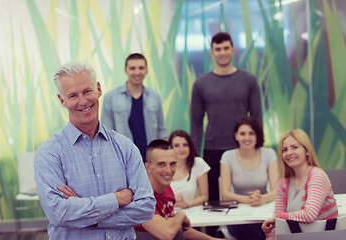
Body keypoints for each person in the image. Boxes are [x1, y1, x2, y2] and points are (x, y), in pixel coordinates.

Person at [34, 61, 156, 240]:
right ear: (62, 100)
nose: (83, 101)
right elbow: (58, 214)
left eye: (87, 91)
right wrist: (117, 199)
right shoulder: (49, 153)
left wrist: (86, 214)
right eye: (73, 95)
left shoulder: (125, 147)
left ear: (98, 89)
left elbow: (146, 208)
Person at [190, 32, 263, 202]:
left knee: (245, 195)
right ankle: (214, 230)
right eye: (218, 49)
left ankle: (247, 229)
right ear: (212, 52)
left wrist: (257, 146)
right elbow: (196, 123)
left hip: (242, 147)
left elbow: (257, 118)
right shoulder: (201, 84)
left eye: (225, 48)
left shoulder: (249, 80)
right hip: (212, 149)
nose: (222, 52)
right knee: (214, 200)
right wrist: (194, 156)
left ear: (233, 50)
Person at [135, 139, 226, 240]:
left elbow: (178, 230)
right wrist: (180, 215)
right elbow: (167, 233)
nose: (168, 170)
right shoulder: (140, 196)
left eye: (173, 164)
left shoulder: (167, 188)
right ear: (147, 167)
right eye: (161, 164)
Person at [262, 129, 338, 240]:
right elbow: (278, 225)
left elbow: (309, 215)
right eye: (284, 150)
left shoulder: (317, 176)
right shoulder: (282, 182)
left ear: (307, 151)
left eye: (295, 147)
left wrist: (277, 217)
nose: (289, 153)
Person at [101, 53, 168, 162]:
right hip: (124, 158)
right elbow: (106, 133)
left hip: (152, 159)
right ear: (125, 70)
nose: (137, 72)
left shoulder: (155, 96)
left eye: (141, 68)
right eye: (132, 68)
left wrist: (163, 158)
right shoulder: (111, 97)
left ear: (146, 70)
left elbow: (162, 131)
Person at [220, 116, 278, 240]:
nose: (247, 138)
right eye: (242, 133)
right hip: (238, 216)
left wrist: (262, 199)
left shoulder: (269, 154)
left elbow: (277, 190)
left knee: (266, 227)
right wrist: (250, 200)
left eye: (251, 133)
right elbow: (225, 194)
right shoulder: (227, 156)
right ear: (236, 135)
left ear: (257, 135)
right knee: (250, 230)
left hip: (264, 212)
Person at [169, 130, 210, 208]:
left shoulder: (198, 163)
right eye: (177, 145)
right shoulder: (163, 167)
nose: (181, 149)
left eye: (185, 145)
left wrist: (187, 204)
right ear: (170, 148)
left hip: (191, 212)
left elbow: (204, 197)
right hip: (167, 213)